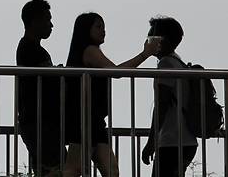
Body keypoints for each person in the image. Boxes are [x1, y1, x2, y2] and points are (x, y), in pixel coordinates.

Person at [64, 12, 160, 177]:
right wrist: (145, 54)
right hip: (83, 119)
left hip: (92, 119)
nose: (103, 31)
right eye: (98, 27)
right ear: (86, 30)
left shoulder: (88, 51)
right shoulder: (90, 51)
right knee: (76, 169)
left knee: (109, 169)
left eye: (104, 27)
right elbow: (115, 72)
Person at [141, 17, 197, 177]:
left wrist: (151, 142)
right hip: (186, 140)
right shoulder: (177, 62)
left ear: (162, 40)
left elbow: (161, 105)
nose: (148, 41)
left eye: (151, 37)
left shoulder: (166, 64)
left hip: (172, 141)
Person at [16, 0, 65, 176]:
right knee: (56, 168)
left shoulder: (28, 48)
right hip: (39, 123)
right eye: (47, 19)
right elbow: (48, 77)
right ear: (35, 21)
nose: (51, 25)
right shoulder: (31, 49)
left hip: (37, 122)